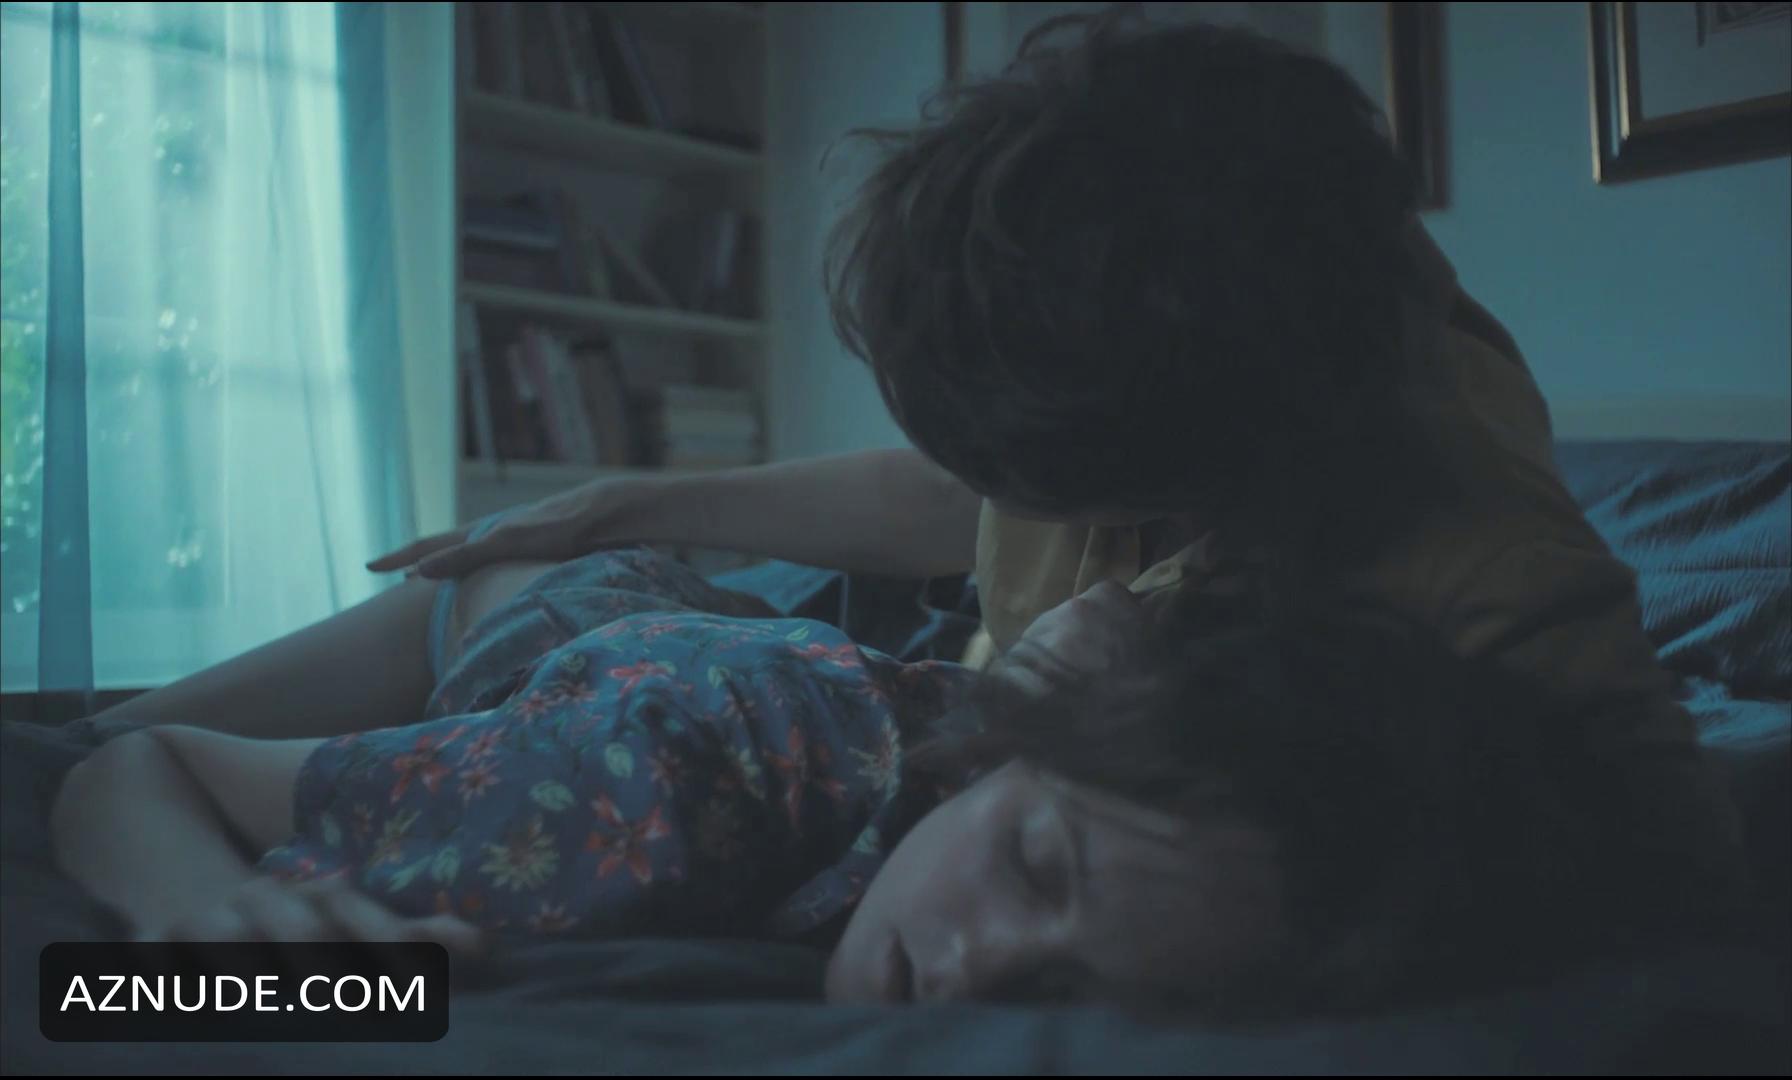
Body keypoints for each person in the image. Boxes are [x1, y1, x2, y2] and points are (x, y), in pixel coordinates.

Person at [370, 11, 1750, 921]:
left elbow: (1675, 863)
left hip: (937, 735)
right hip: (933, 677)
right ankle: (207, 778)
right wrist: (625, 500)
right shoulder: (1177, 263)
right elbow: (954, 496)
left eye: (1055, 492)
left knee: (555, 647)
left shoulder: (1496, 592)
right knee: (513, 576)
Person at [51, 546, 1612, 1016]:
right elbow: (136, 775)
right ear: (1013, 755)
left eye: (1069, 992)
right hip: (511, 611)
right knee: (73, 726)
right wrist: (206, 930)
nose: (979, 968)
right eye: (1036, 866)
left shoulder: (1220, 870)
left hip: (735, 624)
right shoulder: (644, 794)